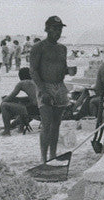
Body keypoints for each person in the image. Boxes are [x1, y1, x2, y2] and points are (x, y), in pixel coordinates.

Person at [30, 15, 77, 163]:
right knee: (46, 124)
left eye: (60, 29)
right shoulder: (38, 47)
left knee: (56, 124)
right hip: (45, 86)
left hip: (59, 86)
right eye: (55, 29)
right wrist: (43, 91)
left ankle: (53, 155)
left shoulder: (62, 48)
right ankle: (44, 157)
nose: (58, 32)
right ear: (47, 29)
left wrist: (69, 71)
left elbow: (61, 69)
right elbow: (33, 71)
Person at [0, 67, 40, 135]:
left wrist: (1, 104)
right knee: (23, 105)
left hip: (35, 110)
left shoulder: (22, 83)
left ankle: (7, 131)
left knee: (4, 105)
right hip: (42, 109)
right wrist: (18, 99)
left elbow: (10, 97)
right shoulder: (36, 81)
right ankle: (17, 127)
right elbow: (34, 98)